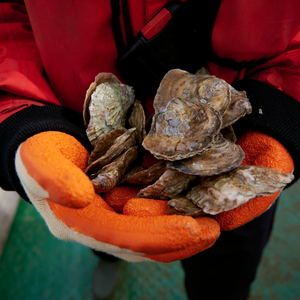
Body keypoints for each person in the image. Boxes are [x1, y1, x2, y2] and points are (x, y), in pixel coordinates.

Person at [0, 1, 299, 300]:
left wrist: (283, 111)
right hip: (86, 142)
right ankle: (108, 256)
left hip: (239, 135)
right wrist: (23, 119)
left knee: (226, 263)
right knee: (100, 223)